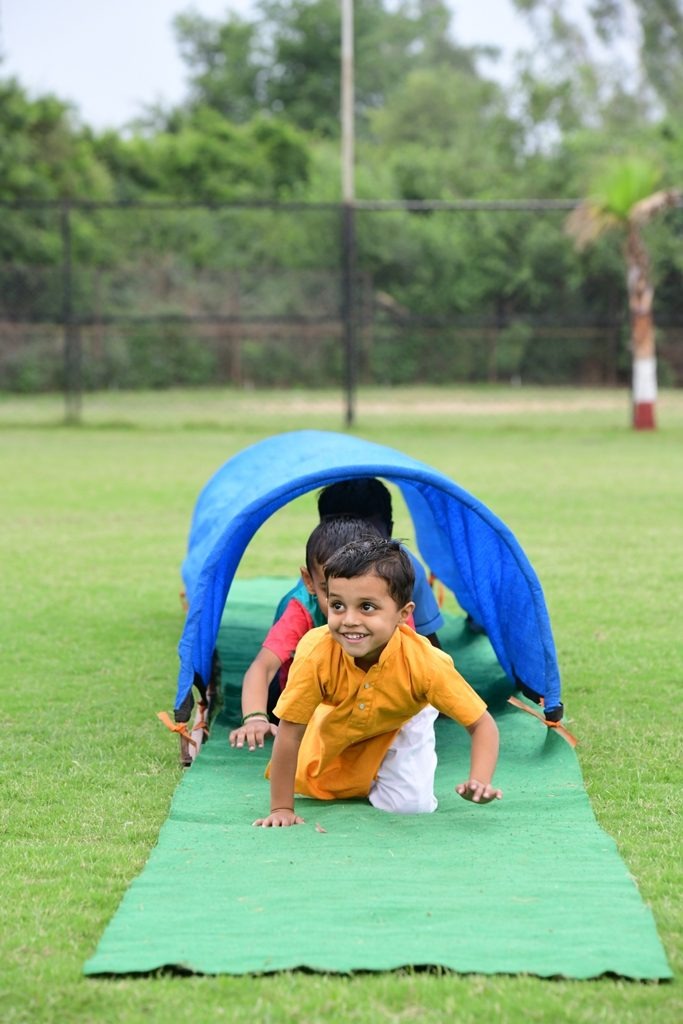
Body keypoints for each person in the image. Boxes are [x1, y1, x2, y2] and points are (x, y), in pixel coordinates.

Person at [253, 537, 502, 827]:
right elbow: (290, 731)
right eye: (337, 605)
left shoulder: (426, 663)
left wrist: (480, 780)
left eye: (367, 607)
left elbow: (481, 724)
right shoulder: (315, 652)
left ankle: (382, 766)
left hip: (404, 714)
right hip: (343, 710)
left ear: (403, 614)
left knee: (411, 807)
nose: (349, 620)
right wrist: (281, 808)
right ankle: (336, 732)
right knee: (316, 782)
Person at [229, 517, 381, 752]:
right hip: (305, 702)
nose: (350, 616)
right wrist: (255, 718)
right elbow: (263, 667)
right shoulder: (302, 610)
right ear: (309, 582)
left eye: (364, 601)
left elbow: (416, 664)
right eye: (331, 594)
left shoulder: (391, 608)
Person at [273, 478, 444, 647]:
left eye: (367, 537)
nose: (349, 547)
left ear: (389, 531)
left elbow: (427, 643)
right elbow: (272, 658)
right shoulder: (304, 596)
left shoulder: (409, 569)